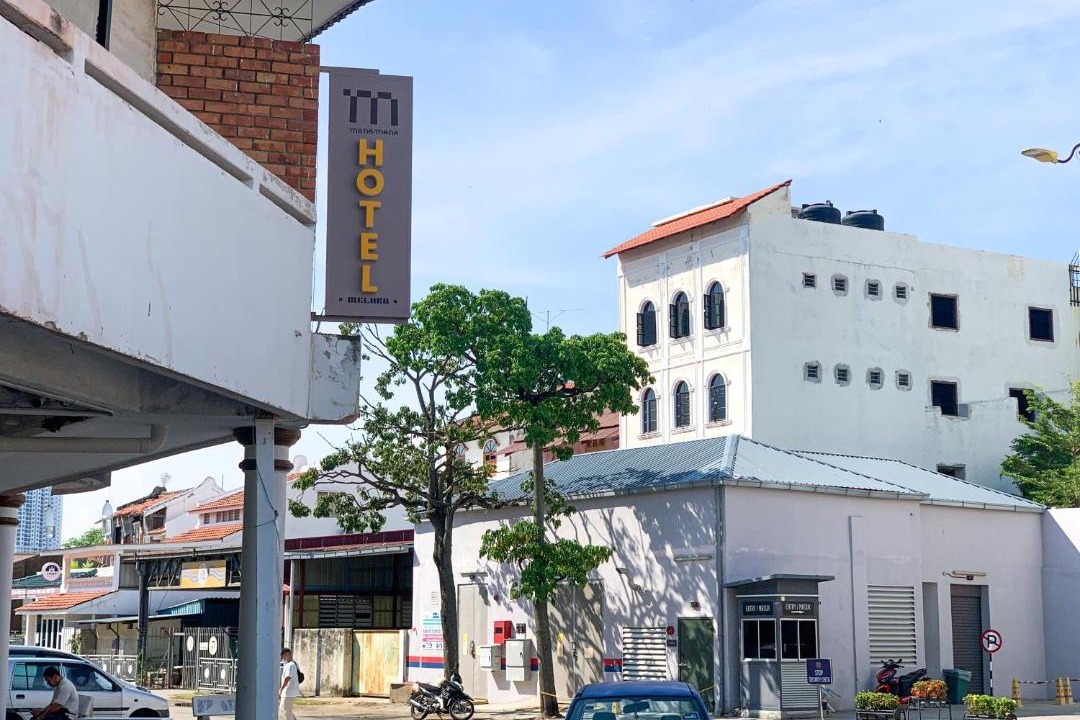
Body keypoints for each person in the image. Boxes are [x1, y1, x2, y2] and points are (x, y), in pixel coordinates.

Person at [279, 648, 300, 720]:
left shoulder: (291, 665)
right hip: (289, 691)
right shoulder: (293, 663)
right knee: (287, 711)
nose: (282, 657)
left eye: (283, 655)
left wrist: (281, 688)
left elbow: (288, 678)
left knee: (284, 710)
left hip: (288, 691)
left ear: (287, 654)